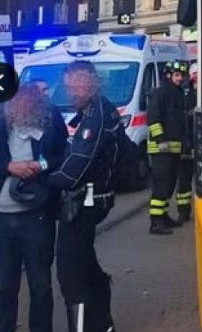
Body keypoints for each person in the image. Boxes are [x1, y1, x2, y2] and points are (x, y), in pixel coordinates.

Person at [49, 60, 127, 332]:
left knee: (70, 275)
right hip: (91, 200)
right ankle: (103, 324)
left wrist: (41, 179)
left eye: (73, 87)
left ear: (88, 84)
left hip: (84, 203)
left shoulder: (96, 117)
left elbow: (75, 169)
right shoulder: (94, 111)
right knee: (87, 266)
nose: (69, 93)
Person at [0, 84, 68, 332]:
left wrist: (39, 164)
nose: (20, 109)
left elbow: (62, 155)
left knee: (40, 285)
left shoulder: (50, 122)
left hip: (37, 216)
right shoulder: (1, 124)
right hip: (3, 219)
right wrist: (9, 166)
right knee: (4, 285)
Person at [146, 61, 188, 234]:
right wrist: (160, 139)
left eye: (181, 75)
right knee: (161, 185)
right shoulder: (160, 93)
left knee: (170, 185)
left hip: (174, 148)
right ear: (168, 75)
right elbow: (153, 119)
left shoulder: (178, 94)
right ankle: (155, 222)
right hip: (160, 149)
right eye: (177, 75)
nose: (180, 79)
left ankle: (163, 217)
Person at [176, 63, 197, 224]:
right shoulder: (183, 95)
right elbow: (182, 123)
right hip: (187, 145)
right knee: (184, 181)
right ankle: (183, 211)